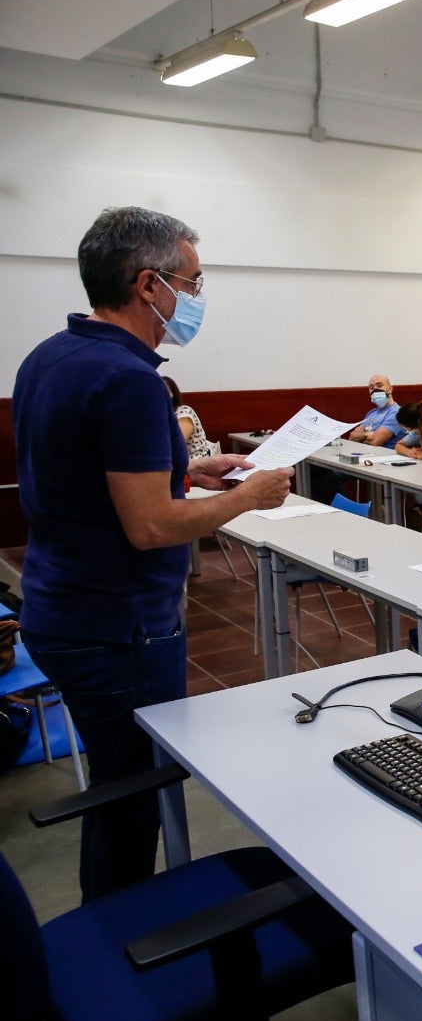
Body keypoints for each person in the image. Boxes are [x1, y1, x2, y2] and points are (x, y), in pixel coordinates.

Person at [13, 206, 292, 901]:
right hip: (118, 626)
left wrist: (186, 472)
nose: (196, 300)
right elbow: (149, 527)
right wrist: (249, 496)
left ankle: (111, 929)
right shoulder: (131, 379)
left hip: (58, 604)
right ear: (148, 284)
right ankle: (125, 946)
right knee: (132, 797)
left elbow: (90, 476)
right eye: (192, 283)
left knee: (115, 785)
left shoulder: (51, 356)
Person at [161, 375, 213, 459]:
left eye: (166, 393)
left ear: (173, 394)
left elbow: (176, 444)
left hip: (195, 463)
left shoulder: (184, 412)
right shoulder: (159, 416)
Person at [349, 373, 402, 447]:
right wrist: (367, 434)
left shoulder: (396, 413)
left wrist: (361, 437)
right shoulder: (372, 413)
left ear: (390, 389)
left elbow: (374, 441)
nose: (375, 389)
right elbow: (352, 437)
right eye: (371, 387)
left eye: (379, 386)